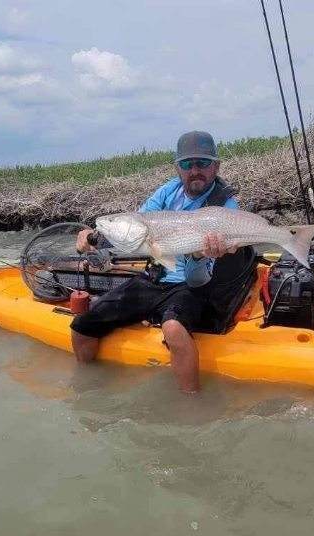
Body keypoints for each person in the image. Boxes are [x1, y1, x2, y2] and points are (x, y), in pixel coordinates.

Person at [71, 131, 239, 393]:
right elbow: (137, 230)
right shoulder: (168, 191)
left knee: (173, 328)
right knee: (83, 324)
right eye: (186, 164)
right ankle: (87, 390)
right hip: (156, 276)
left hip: (196, 284)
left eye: (203, 163)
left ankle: (192, 404)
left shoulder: (225, 204)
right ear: (177, 168)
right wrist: (94, 236)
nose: (194, 170)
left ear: (216, 166)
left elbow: (200, 278)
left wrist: (198, 254)